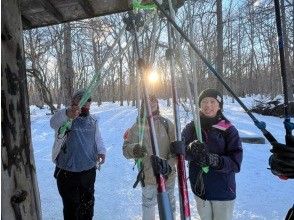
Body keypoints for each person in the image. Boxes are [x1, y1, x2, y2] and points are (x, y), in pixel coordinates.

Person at [180, 88, 243, 220]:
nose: (208, 105)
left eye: (212, 101)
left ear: (219, 105)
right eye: (204, 102)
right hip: (200, 188)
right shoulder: (192, 127)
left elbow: (235, 163)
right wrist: (191, 149)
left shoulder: (228, 128)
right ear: (199, 105)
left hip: (223, 190)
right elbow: (183, 152)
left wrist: (215, 160)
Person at [50, 89, 106, 220]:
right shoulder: (65, 118)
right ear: (73, 102)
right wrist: (68, 113)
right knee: (72, 208)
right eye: (82, 100)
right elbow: (53, 122)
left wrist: (101, 151)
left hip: (88, 171)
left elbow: (98, 138)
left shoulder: (93, 120)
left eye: (88, 101)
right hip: (67, 172)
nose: (86, 103)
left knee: (87, 205)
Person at [122, 95, 177, 220]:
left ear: (158, 104)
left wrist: (168, 165)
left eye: (154, 101)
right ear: (143, 105)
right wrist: (134, 149)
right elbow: (125, 150)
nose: (151, 103)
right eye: (148, 101)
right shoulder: (137, 127)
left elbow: (175, 151)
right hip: (148, 177)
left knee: (169, 208)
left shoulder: (167, 124)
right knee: (148, 207)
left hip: (168, 176)